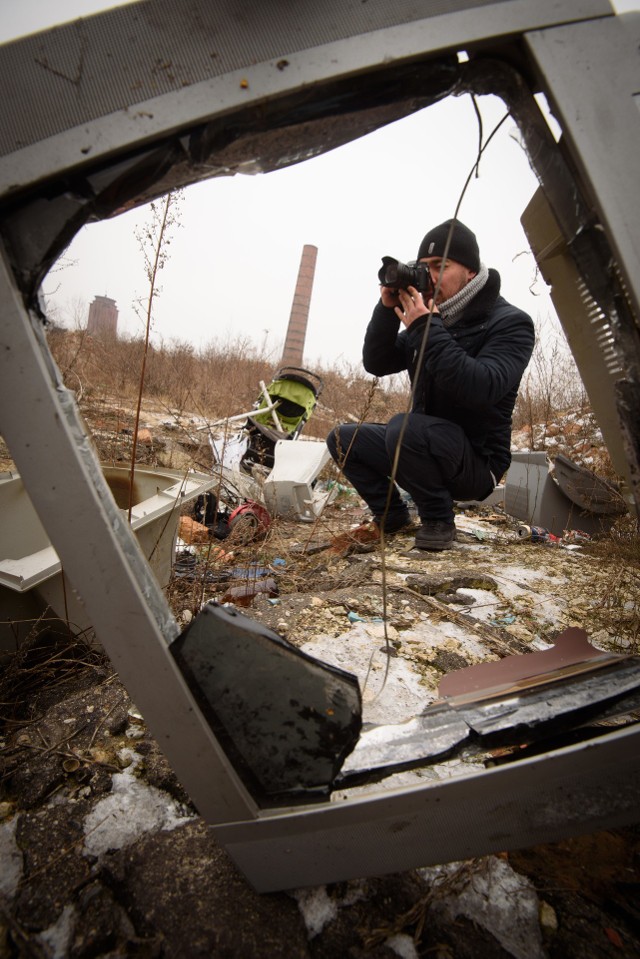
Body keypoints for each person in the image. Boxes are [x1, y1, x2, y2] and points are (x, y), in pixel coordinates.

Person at [326, 219, 535, 551]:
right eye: (423, 268)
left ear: (470, 271)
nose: (430, 277)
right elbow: (377, 362)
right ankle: (392, 516)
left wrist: (426, 327)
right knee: (342, 438)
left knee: (403, 427)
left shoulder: (510, 322)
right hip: (420, 445)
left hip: (478, 464)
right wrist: (387, 308)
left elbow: (482, 388)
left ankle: (438, 520)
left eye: (441, 266)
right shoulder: (430, 319)